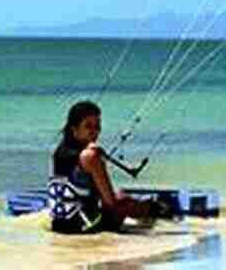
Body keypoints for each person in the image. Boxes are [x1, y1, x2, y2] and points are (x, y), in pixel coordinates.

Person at [48, 100, 157, 234]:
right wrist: (148, 208)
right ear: (74, 129)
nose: (95, 132)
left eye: (97, 126)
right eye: (88, 126)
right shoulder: (90, 156)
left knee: (121, 195)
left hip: (59, 225)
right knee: (125, 203)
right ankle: (160, 210)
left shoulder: (60, 151)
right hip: (85, 228)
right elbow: (111, 205)